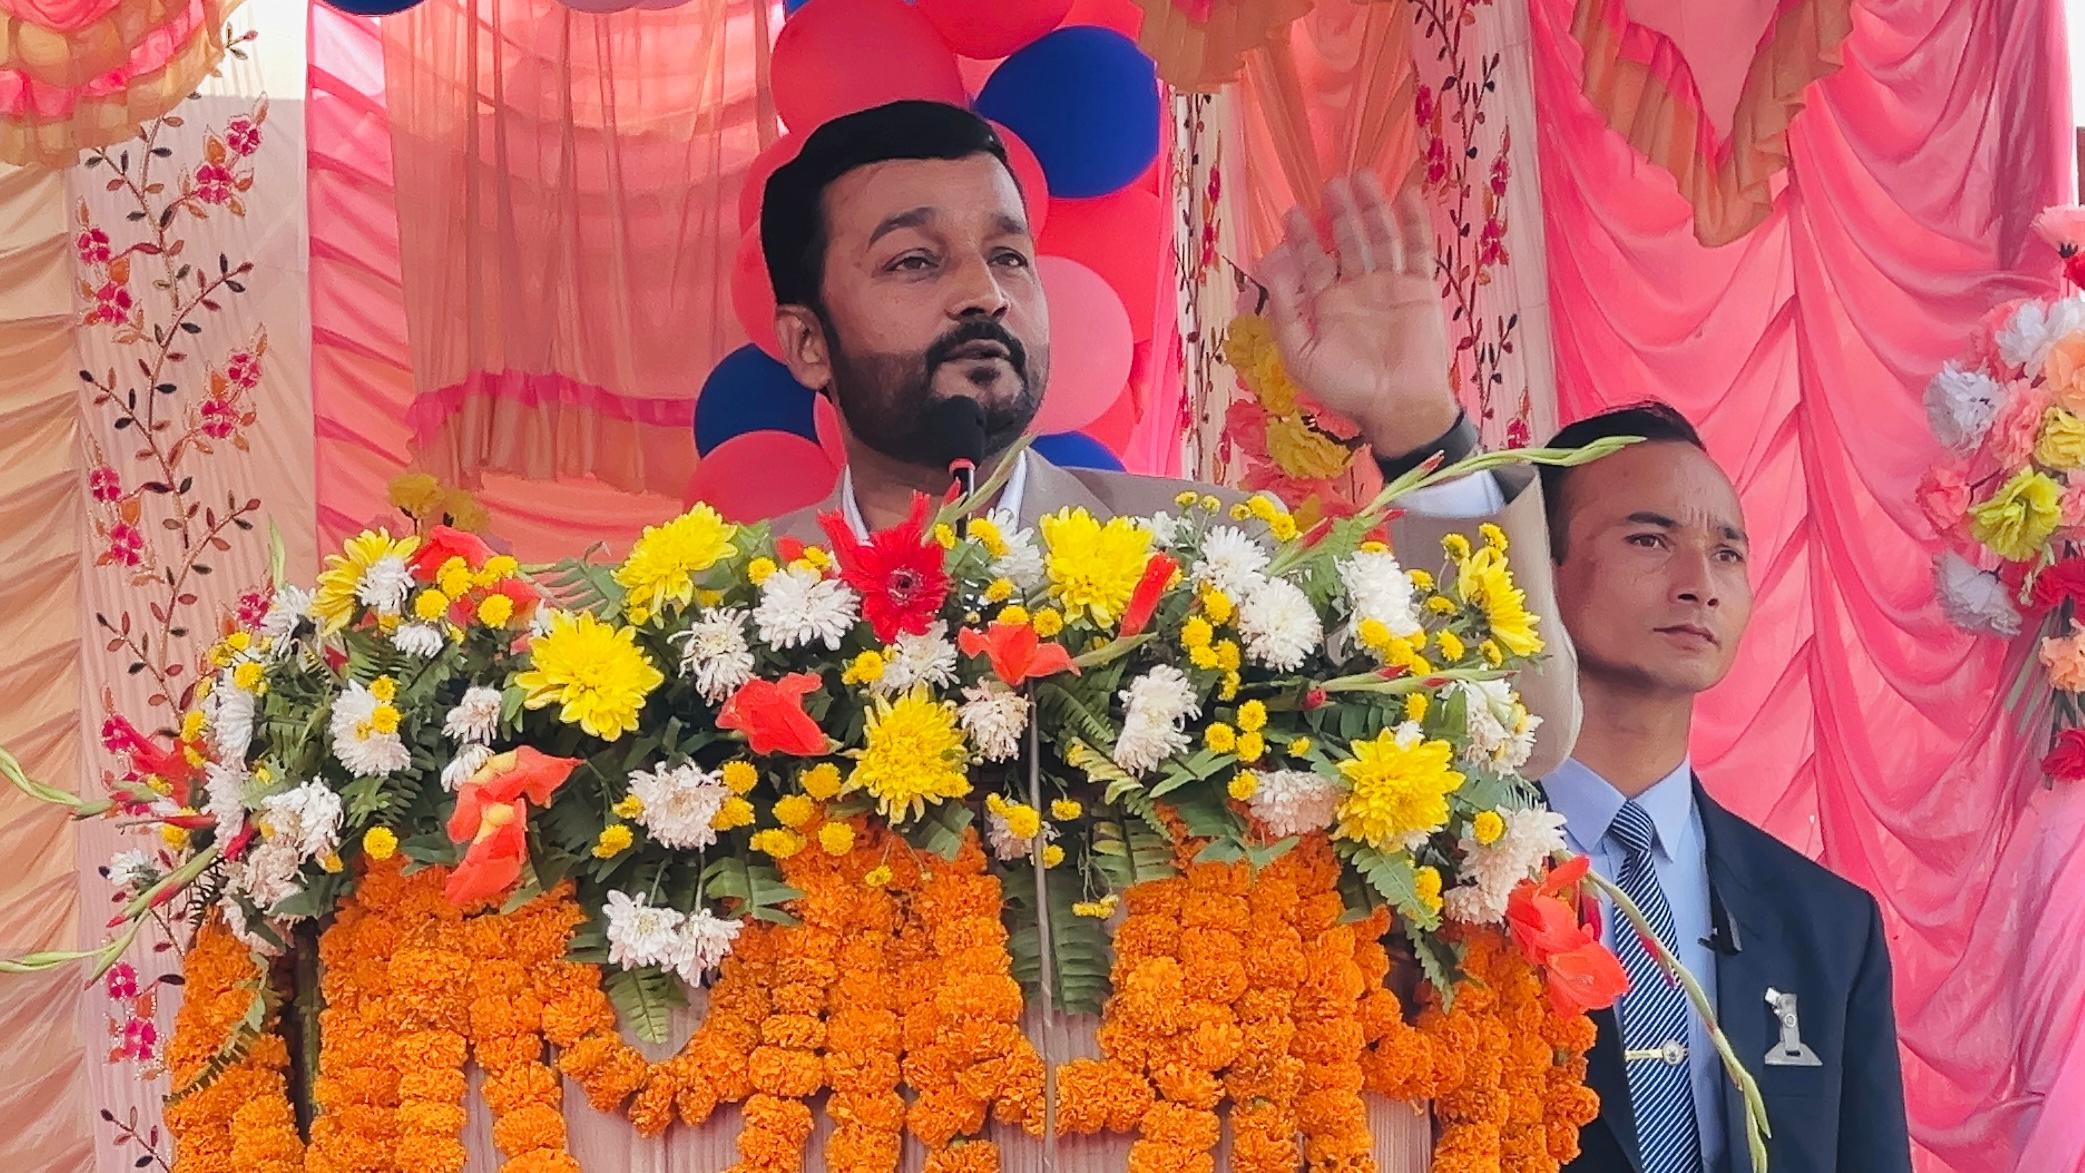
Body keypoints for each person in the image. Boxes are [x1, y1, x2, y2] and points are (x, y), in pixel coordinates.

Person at [756, 98, 1579, 774]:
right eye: (913, 261)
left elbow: (1516, 730)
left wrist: (1416, 421)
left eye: (1008, 256)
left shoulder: (1219, 555)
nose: (984, 293)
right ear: (808, 343)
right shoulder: (720, 610)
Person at [1536, 402, 1913, 1173]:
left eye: (1726, 553)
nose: (1698, 584)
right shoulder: (1439, 872)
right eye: (1649, 539)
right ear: (1540, 569)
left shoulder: (1827, 926)